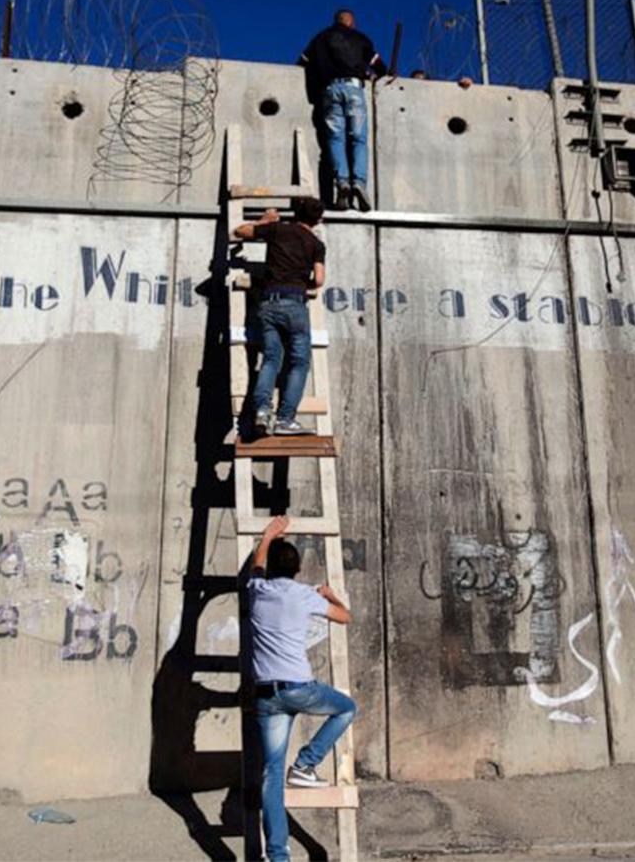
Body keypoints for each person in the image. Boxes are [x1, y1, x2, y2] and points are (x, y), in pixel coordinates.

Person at [246, 515, 355, 862]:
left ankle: (278, 855)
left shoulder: (257, 590)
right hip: (298, 688)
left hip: (266, 694)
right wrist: (330, 594)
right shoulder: (304, 596)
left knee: (270, 775)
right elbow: (344, 617)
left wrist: (268, 535)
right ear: (297, 569)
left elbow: (258, 565)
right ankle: (306, 765)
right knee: (346, 708)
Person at [231, 197, 326, 437]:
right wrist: (305, 282)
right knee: (299, 363)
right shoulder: (316, 243)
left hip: (268, 303)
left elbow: (239, 231)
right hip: (295, 303)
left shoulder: (277, 229)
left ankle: (262, 411)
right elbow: (320, 280)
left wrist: (265, 219)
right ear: (317, 220)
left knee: (271, 359)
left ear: (295, 214)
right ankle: (285, 420)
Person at [298, 9, 386, 212]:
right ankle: (359, 183)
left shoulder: (320, 38)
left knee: (335, 139)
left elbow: (302, 62)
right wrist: (375, 74)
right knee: (358, 138)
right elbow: (379, 66)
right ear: (351, 22)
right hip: (354, 89)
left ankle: (342, 182)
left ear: (335, 21)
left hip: (330, 90)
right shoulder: (360, 38)